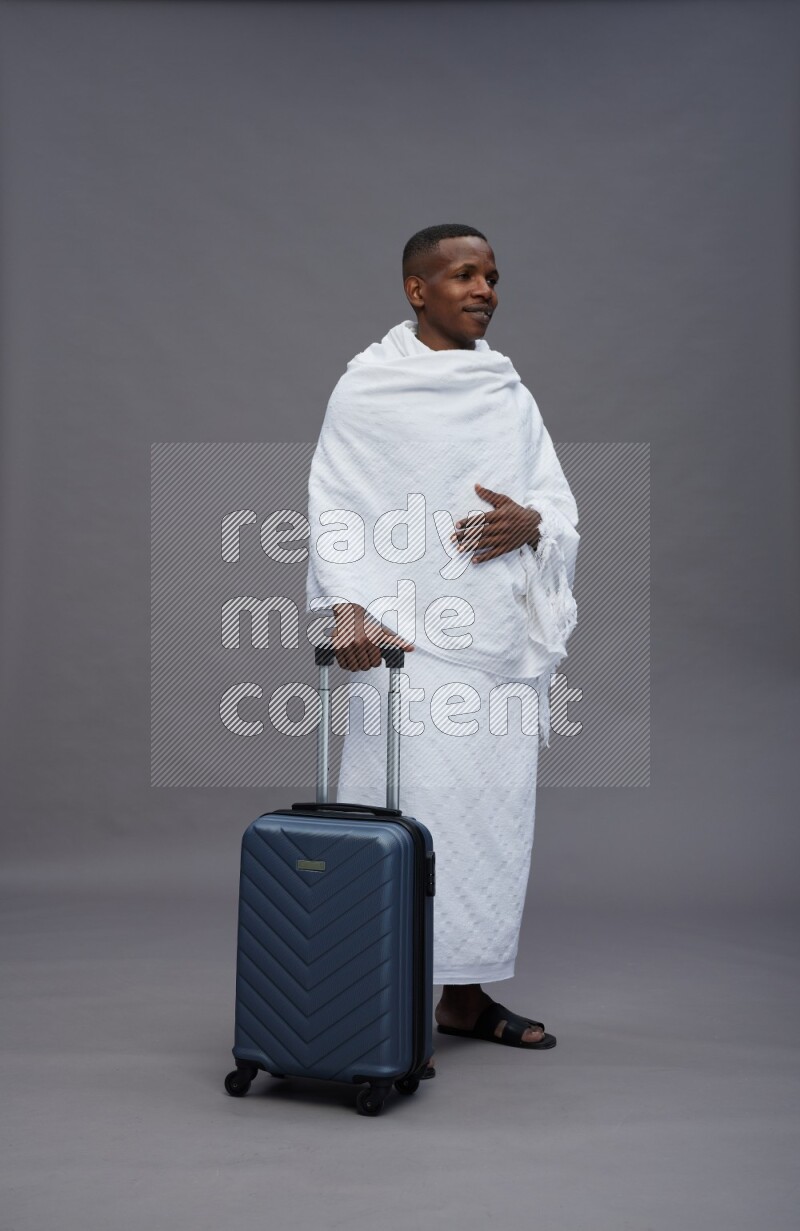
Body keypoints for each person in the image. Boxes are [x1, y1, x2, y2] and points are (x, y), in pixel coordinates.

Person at [305, 224, 579, 1072]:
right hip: (403, 640)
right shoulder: (368, 388)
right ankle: (381, 1005)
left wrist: (533, 523)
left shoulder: (507, 392)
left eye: (491, 275)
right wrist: (347, 606)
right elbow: (335, 502)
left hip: (495, 640)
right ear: (416, 290)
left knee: (489, 820)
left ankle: (463, 996)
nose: (485, 289)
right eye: (464, 274)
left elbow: (553, 501)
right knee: (400, 813)